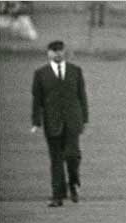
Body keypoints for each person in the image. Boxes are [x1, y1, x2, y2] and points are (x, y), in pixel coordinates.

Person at [31, 40, 89, 207]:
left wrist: (84, 119)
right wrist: (36, 121)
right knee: (56, 159)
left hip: (73, 121)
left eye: (60, 50)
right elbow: (38, 100)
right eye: (53, 51)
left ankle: (73, 182)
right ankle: (58, 195)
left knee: (72, 155)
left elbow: (82, 96)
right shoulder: (40, 73)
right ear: (48, 53)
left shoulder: (75, 71)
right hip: (52, 122)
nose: (57, 53)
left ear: (64, 52)